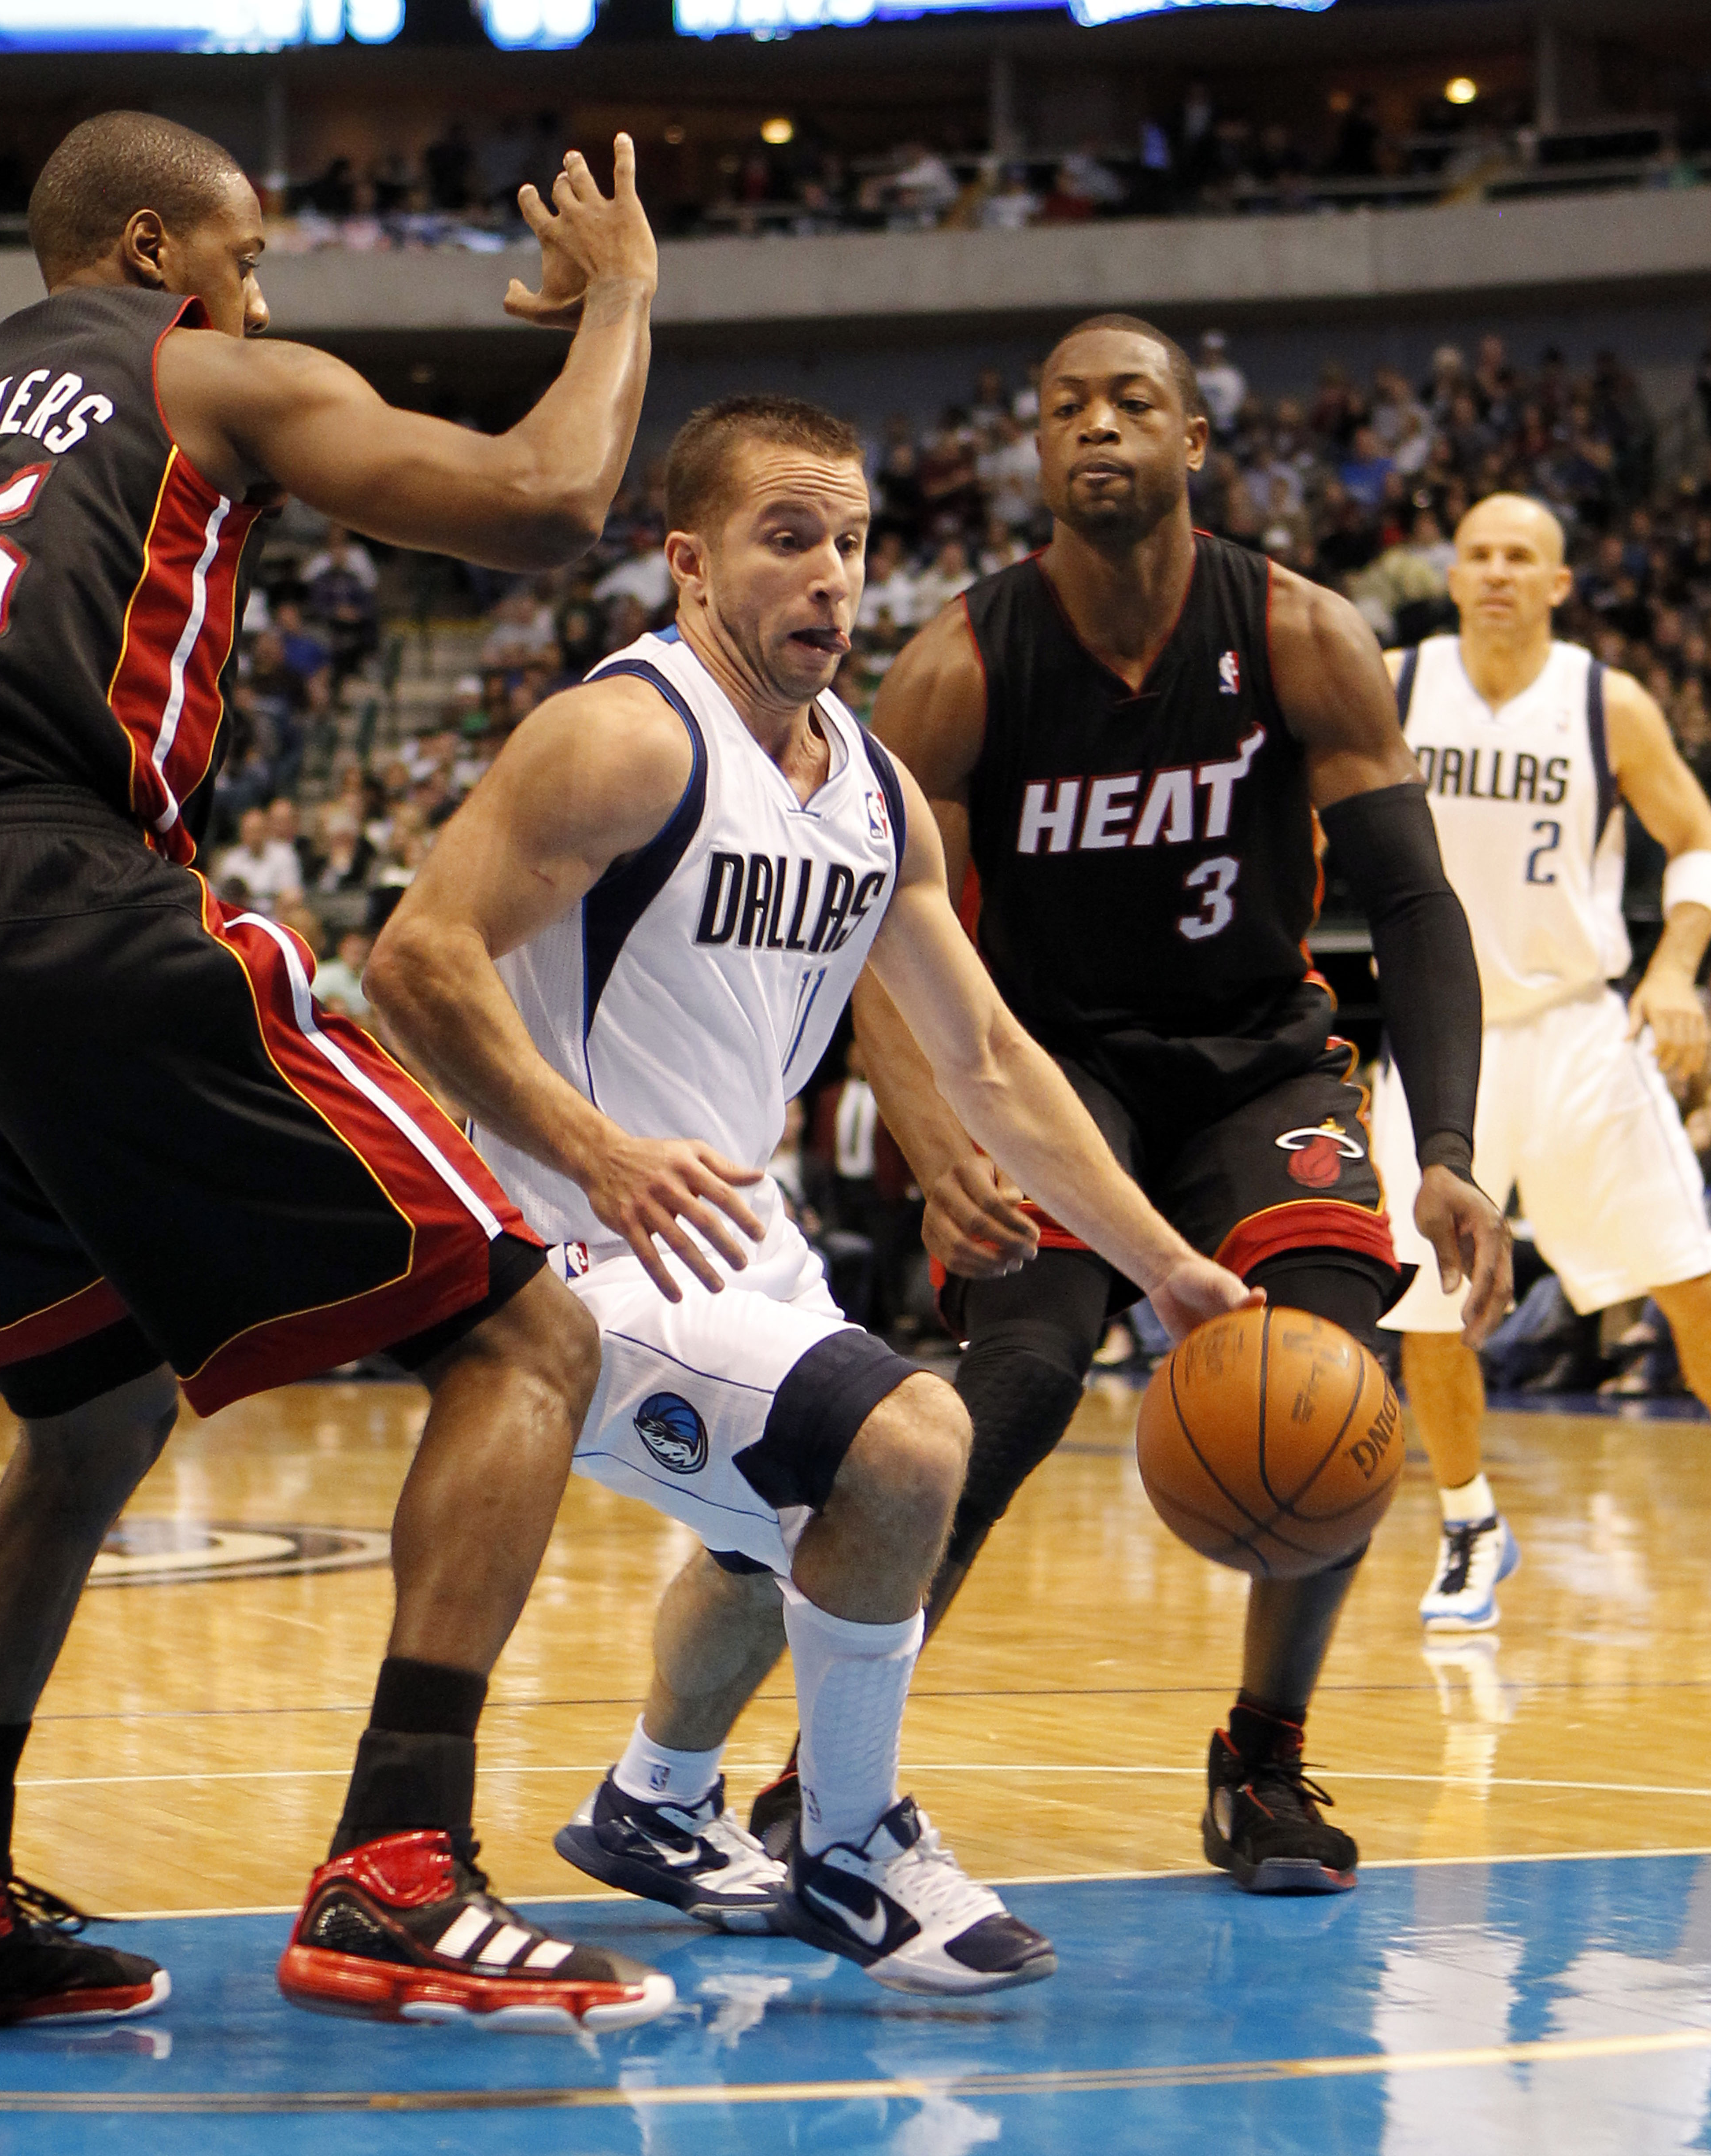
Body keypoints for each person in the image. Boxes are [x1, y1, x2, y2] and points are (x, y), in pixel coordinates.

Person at [0, 111, 688, 2036]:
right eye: (249, 255)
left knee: (87, 1420)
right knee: (523, 1336)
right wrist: (630, 288)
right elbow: (554, 498)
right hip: (60, 885)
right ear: (160, 247)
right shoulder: (193, 366)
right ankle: (400, 1872)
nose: (266, 292)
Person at [369, 394, 1253, 1994]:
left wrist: (1162, 1259)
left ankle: (652, 1800)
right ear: (689, 565)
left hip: (737, 1239)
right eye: (787, 541)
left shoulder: (870, 790)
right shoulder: (623, 736)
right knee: (909, 1447)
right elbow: (411, 961)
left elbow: (980, 1056)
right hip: (573, 1256)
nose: (830, 577)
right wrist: (593, 1147)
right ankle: (847, 1852)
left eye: (849, 541)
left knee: (773, 1542)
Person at [632, 316, 1511, 1905]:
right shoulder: (964, 661)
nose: (1093, 425)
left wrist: (1441, 1149)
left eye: (1131, 403)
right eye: (1060, 408)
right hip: (1047, 1075)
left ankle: (1258, 1756)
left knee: (1332, 1374)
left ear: (1191, 442)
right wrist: (929, 1131)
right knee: (1012, 1385)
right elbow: (870, 927)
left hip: (1253, 1056)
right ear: (1032, 457)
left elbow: (1412, 904)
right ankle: (818, 1779)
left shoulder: (1296, 633)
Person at [1375, 493, 1711, 1629]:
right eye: (1480, 555)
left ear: (1560, 583)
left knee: (1691, 1282)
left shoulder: (1605, 702)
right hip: (1435, 1037)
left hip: (1576, 1025)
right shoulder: (1394, 684)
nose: (1500, 573)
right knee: (1429, 1312)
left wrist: (1674, 972)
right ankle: (1469, 1524)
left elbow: (1696, 835)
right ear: (1452, 576)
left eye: (1522, 557)